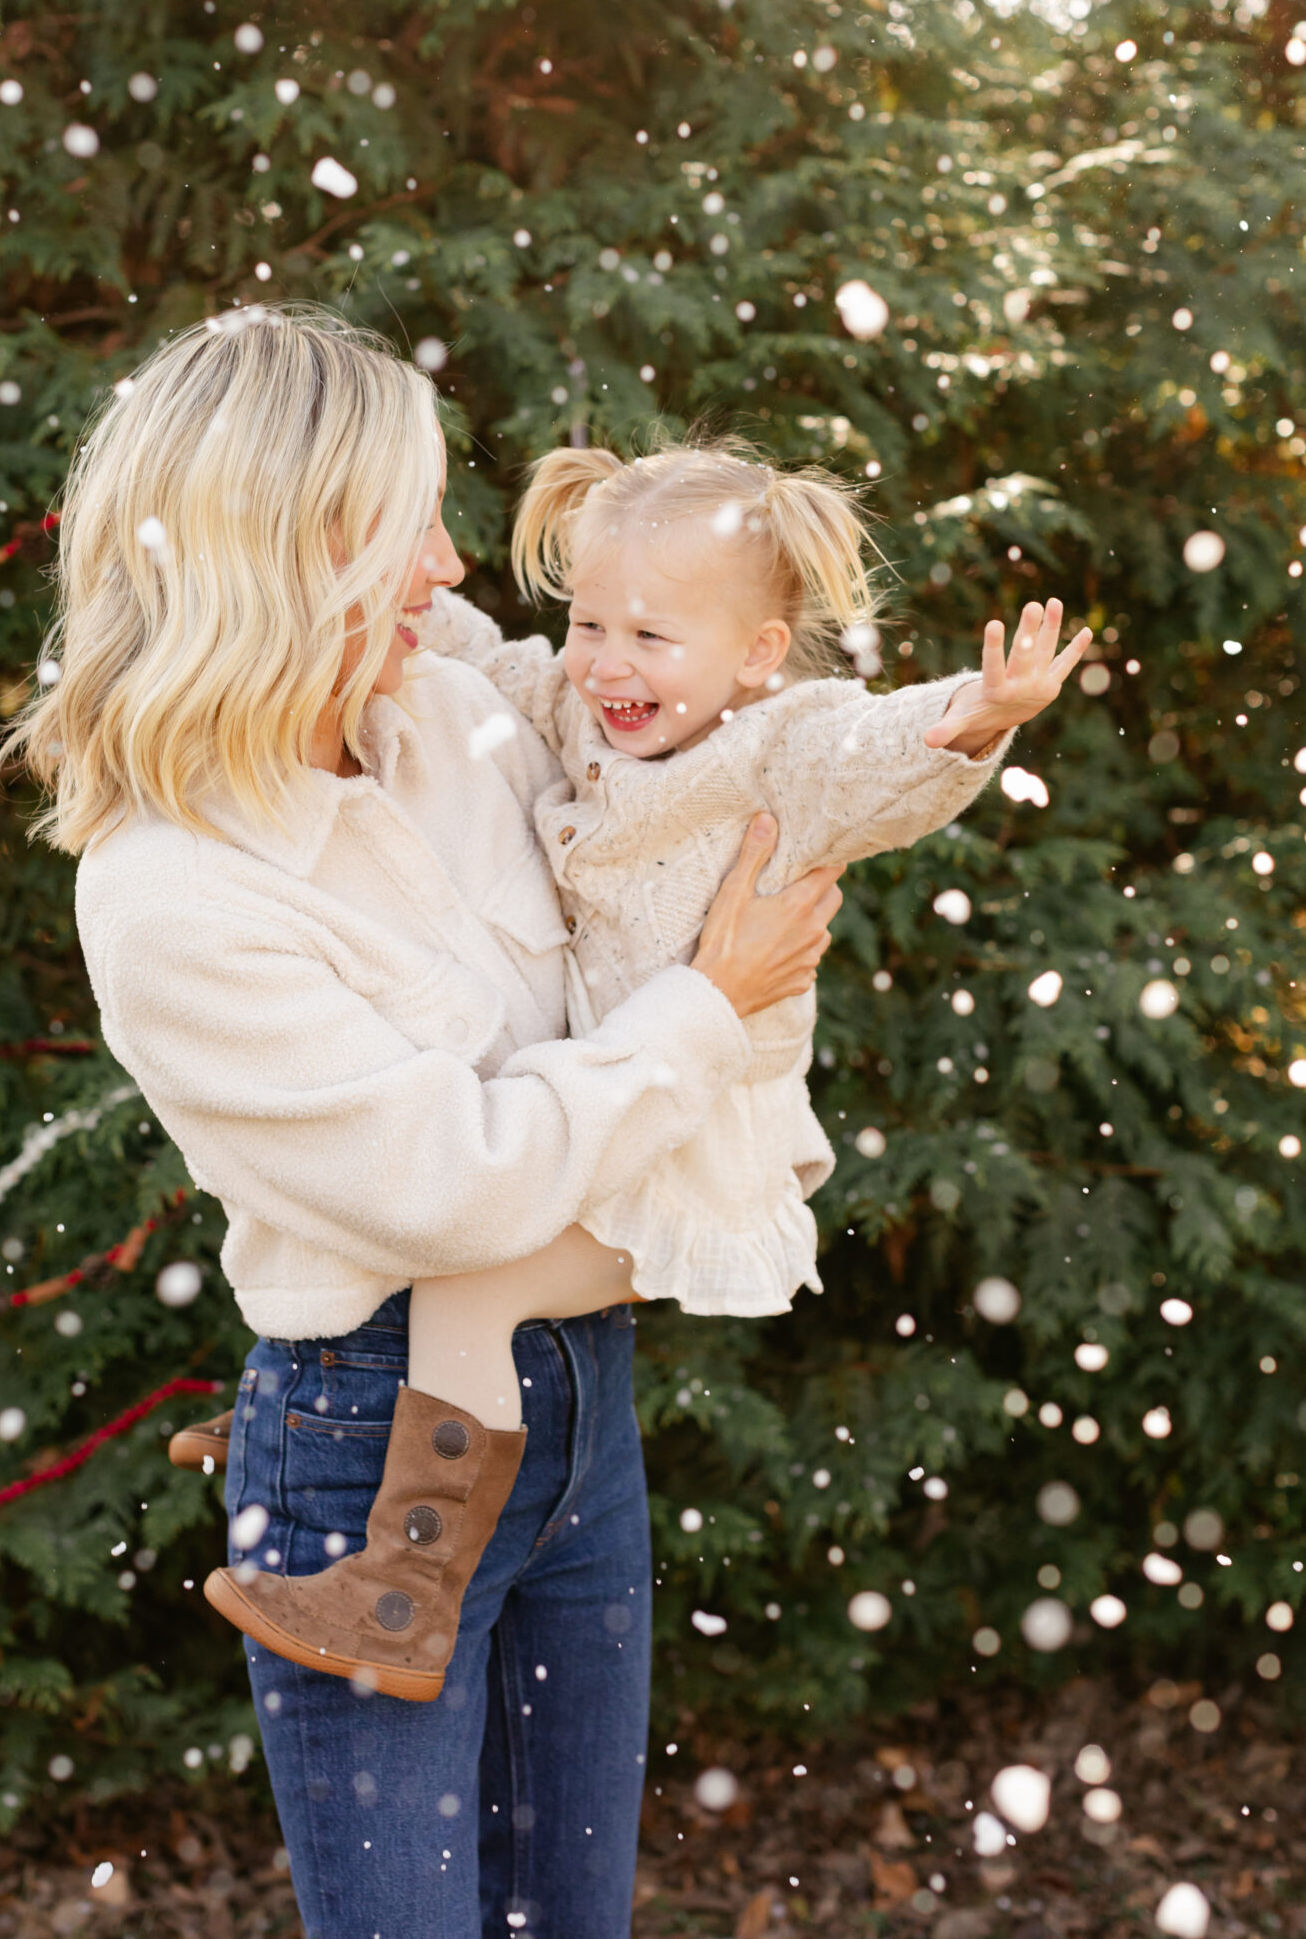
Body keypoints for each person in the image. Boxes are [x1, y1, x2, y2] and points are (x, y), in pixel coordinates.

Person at [0, 303, 843, 1939]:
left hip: (572, 1419)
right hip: (364, 1434)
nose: (457, 567)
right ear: (292, 550)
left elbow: (681, 771)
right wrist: (716, 1008)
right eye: (410, 524)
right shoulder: (173, 895)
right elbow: (460, 1191)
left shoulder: (456, 714)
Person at [193, 435, 1089, 1695]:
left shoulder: (779, 747)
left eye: (652, 639)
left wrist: (972, 717)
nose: (610, 664)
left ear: (758, 655)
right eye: (592, 622)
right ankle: (319, 1432)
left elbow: (873, 755)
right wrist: (353, 563)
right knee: (456, 1278)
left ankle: (401, 1584)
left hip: (685, 1145)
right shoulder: (582, 706)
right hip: (616, 1109)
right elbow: (484, 658)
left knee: (465, 1293)